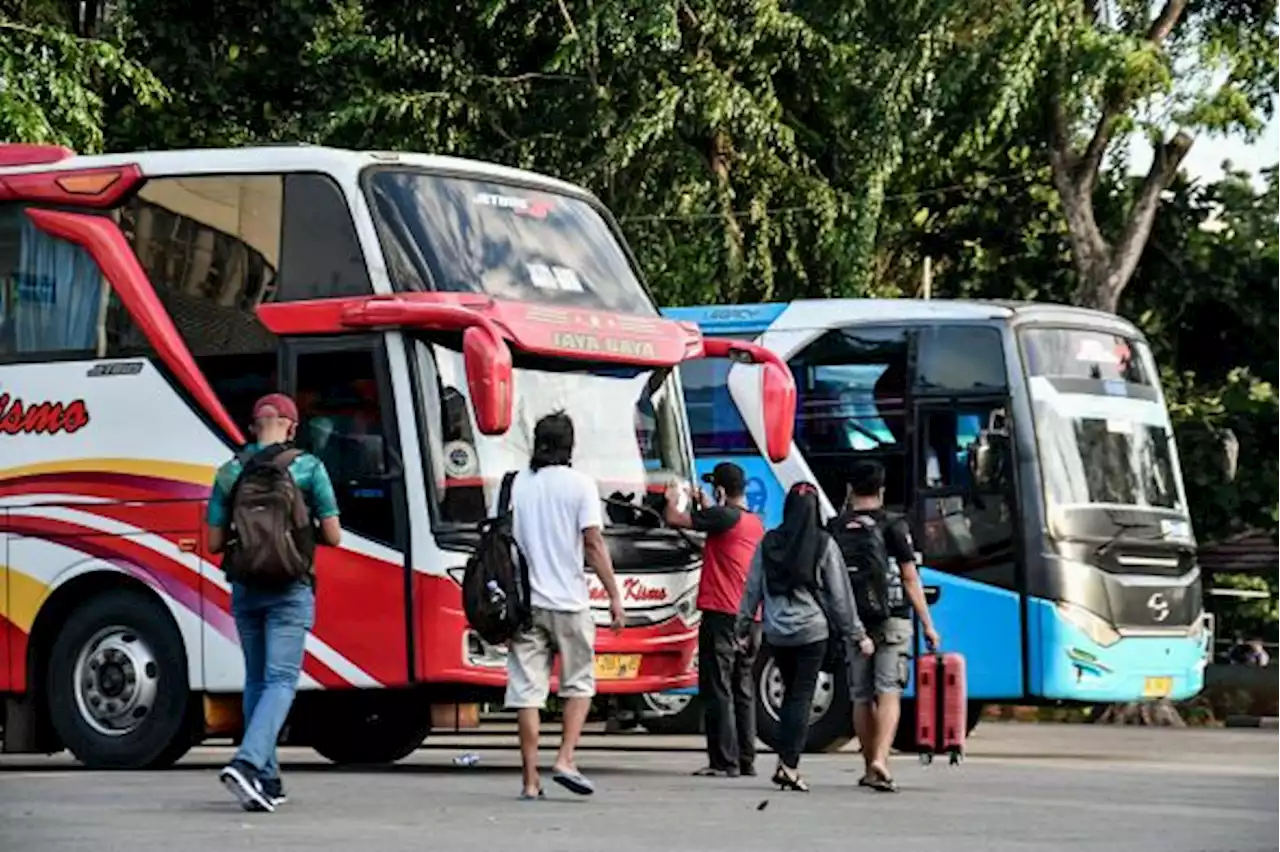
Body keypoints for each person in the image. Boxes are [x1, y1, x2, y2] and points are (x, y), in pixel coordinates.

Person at [208, 393, 342, 812]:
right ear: (292, 426)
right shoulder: (308, 467)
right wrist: (299, 534)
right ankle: (248, 763)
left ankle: (265, 779)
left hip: (246, 587)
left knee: (256, 680)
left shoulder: (230, 471)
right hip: (291, 586)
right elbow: (334, 535)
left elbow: (213, 542)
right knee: (281, 681)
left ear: (253, 426)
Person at [500, 411, 626, 800]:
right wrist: (614, 594)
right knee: (579, 683)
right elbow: (592, 543)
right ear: (570, 446)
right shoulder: (580, 486)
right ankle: (565, 758)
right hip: (569, 602)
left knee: (526, 692)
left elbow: (499, 542)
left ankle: (530, 781)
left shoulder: (513, 485)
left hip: (524, 604)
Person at [736, 482, 870, 792]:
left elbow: (752, 588)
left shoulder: (769, 542)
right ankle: (789, 765)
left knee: (789, 695)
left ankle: (787, 760)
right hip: (812, 632)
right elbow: (840, 596)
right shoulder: (823, 544)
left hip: (777, 634)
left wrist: (743, 627)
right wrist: (856, 633)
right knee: (801, 697)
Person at [834, 460, 940, 793]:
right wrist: (928, 625)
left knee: (861, 696)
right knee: (889, 690)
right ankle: (881, 759)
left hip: (854, 621)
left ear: (850, 489)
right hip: (892, 616)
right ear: (882, 490)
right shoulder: (894, 525)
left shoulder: (836, 526)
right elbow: (910, 577)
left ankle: (868, 767)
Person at [664, 462, 765, 778]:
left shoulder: (723, 517)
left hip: (722, 614)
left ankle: (723, 761)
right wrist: (707, 504)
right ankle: (746, 759)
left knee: (717, 688)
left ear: (720, 490)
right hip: (751, 618)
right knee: (742, 689)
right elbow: (717, 522)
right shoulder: (752, 522)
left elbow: (674, 519)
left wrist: (672, 496)